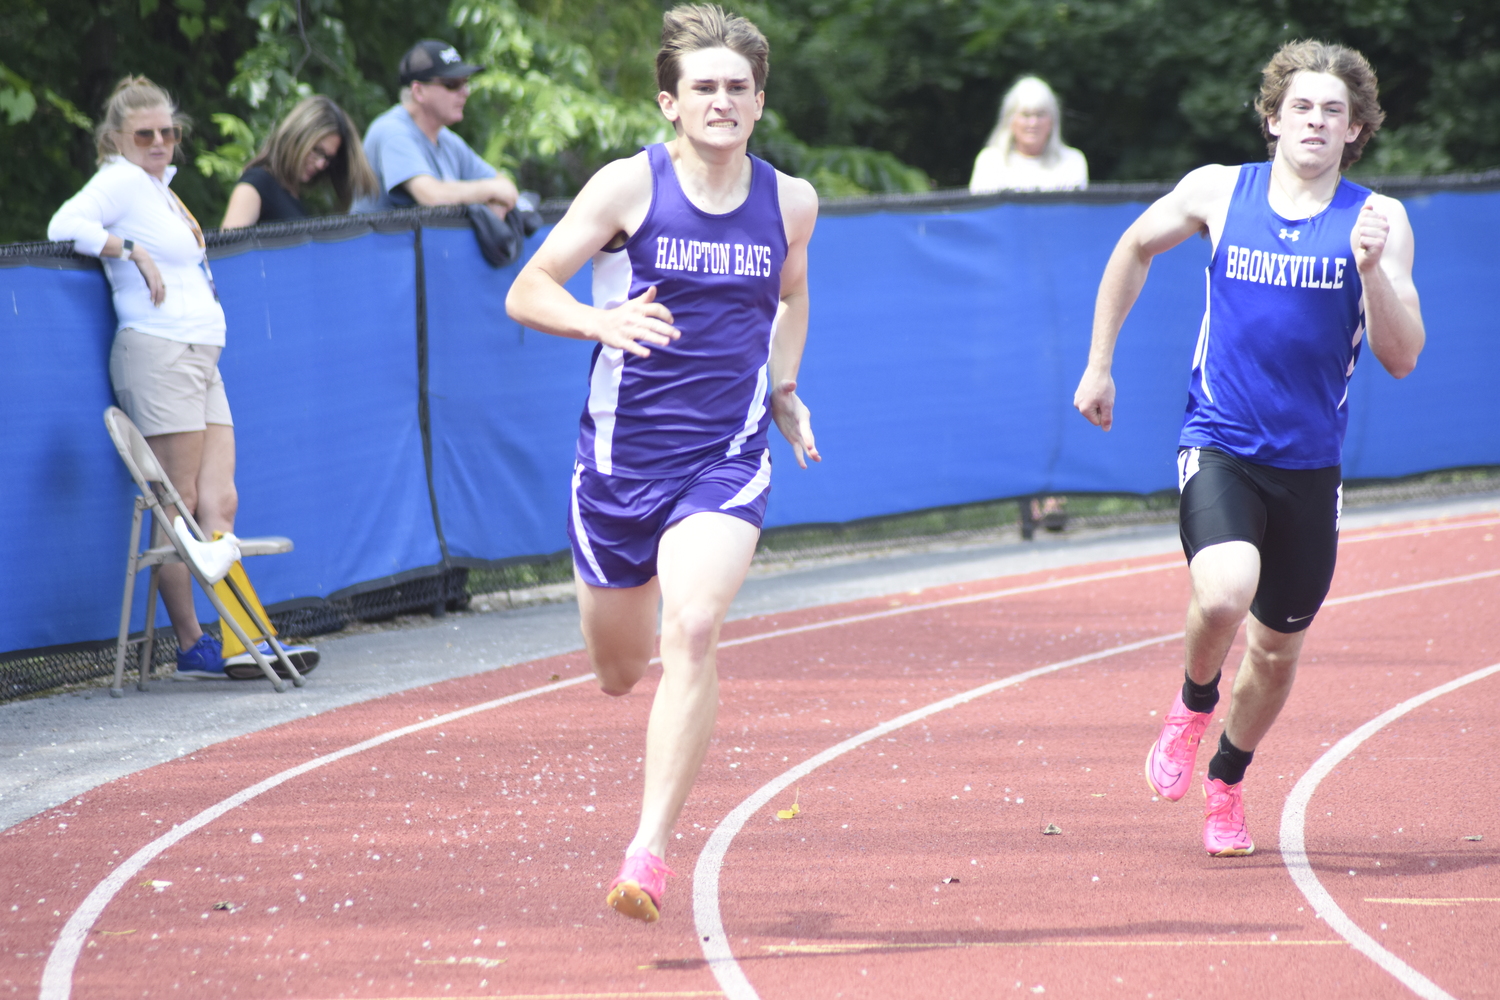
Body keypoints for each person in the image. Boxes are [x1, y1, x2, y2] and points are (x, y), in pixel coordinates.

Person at [505, 3, 819, 922]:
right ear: (669, 105)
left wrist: (783, 387)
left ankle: (646, 853)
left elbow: (792, 296)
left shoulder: (790, 202)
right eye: (704, 88)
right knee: (619, 668)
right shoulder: (626, 190)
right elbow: (527, 289)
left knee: (691, 631)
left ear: (759, 103)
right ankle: (628, 653)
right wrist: (599, 320)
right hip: (615, 469)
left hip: (723, 459)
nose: (721, 101)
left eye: (738, 88)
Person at [1072, 40, 1424, 856]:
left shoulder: (1379, 220)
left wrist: (1372, 272)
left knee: (1272, 652)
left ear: (1357, 130)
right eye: (1301, 106)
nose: (1315, 121)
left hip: (1310, 468)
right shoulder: (1221, 192)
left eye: (1333, 111)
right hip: (1221, 442)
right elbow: (1132, 247)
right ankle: (1193, 705)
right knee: (1226, 592)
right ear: (1272, 118)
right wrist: (1099, 365)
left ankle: (1226, 782)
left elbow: (1403, 356)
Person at [48, 76, 317, 681]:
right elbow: (63, 225)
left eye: (168, 132)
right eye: (144, 134)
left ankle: (240, 633)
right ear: (115, 139)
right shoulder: (120, 179)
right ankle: (194, 642)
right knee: (180, 505)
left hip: (201, 353)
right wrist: (131, 250)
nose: (159, 142)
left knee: (221, 499)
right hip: (160, 350)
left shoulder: (160, 189)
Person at [352, 39, 519, 217]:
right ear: (419, 92)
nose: (465, 92)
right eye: (452, 84)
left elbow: (507, 188)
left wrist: (492, 196)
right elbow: (433, 198)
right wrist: (488, 193)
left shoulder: (446, 139)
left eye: (465, 82)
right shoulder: (392, 131)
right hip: (376, 245)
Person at [220, 94, 378, 227]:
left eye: (328, 158)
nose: (321, 164)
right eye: (317, 150)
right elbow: (229, 255)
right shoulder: (256, 185)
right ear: (298, 135)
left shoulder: (291, 192)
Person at [969, 75, 1088, 194]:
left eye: (1040, 115)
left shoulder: (1072, 162)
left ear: (1052, 122)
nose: (1033, 123)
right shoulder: (990, 161)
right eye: (1025, 115)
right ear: (1010, 121)